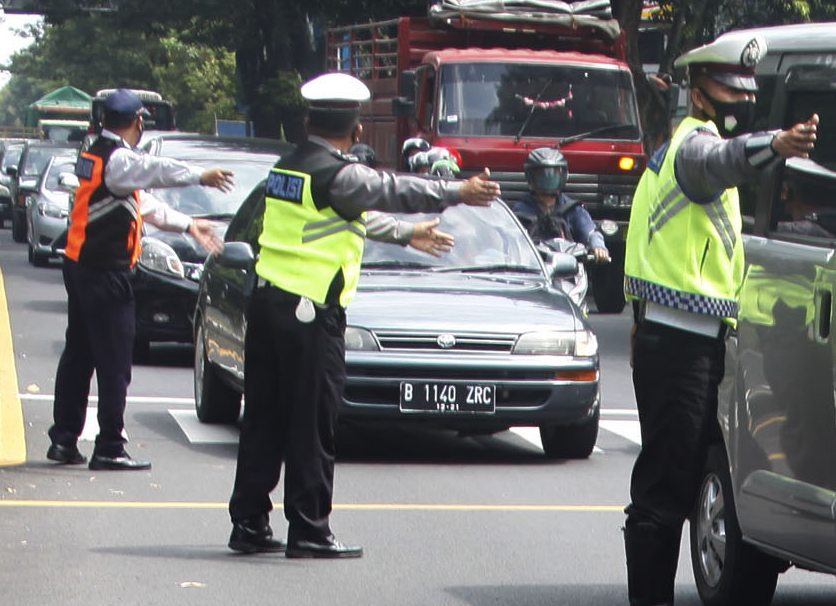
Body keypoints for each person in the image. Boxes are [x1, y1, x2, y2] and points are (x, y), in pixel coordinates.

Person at [224, 71, 494, 559]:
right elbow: (388, 189)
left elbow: (346, 216)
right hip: (309, 314)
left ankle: (249, 522)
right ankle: (308, 529)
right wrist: (457, 191)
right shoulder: (338, 173)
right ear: (358, 130)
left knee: (264, 418)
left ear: (307, 121)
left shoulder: (288, 167)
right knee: (312, 424)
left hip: (268, 305)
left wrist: (405, 235)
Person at [617, 35, 818, 606]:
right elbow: (723, 159)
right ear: (699, 93)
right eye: (731, 93)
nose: (741, 104)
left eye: (747, 96)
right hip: (676, 342)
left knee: (672, 476)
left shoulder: (686, 150)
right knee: (664, 481)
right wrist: (774, 146)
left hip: (685, 339)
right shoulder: (693, 150)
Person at [50, 92, 234, 472]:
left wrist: (187, 224)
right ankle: (110, 446)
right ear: (137, 122)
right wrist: (199, 175)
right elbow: (152, 171)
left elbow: (141, 203)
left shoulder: (96, 153)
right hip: (105, 270)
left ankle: (64, 439)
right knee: (115, 361)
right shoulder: (118, 160)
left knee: (79, 355)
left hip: (81, 265)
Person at [518, 146, 606, 258]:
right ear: (531, 176)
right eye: (542, 174)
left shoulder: (573, 209)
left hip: (570, 269)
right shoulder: (520, 211)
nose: (548, 178)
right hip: (536, 268)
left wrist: (598, 246)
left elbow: (590, 231)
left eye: (554, 173)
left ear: (563, 176)